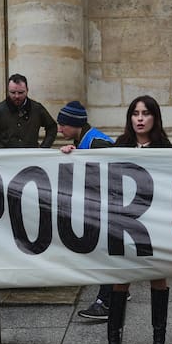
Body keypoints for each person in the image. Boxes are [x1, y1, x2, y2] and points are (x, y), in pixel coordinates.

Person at [104, 95, 172, 344]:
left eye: (145, 113)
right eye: (135, 113)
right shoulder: (119, 146)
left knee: (158, 281)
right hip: (125, 225)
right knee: (120, 281)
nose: (140, 118)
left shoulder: (168, 149)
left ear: (155, 118)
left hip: (156, 227)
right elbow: (92, 169)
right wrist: (70, 153)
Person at [57, 101, 118, 320]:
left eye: (63, 125)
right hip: (101, 206)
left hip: (109, 207)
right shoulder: (84, 141)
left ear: (75, 124)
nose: (59, 129)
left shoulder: (98, 143)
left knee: (106, 252)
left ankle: (105, 302)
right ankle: (118, 290)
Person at [0, 73, 57, 149]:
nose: (16, 96)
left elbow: (52, 127)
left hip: (31, 156)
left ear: (27, 90)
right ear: (8, 91)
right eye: (13, 92)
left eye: (21, 93)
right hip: (7, 158)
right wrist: (1, 150)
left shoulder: (37, 108)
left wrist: (44, 148)